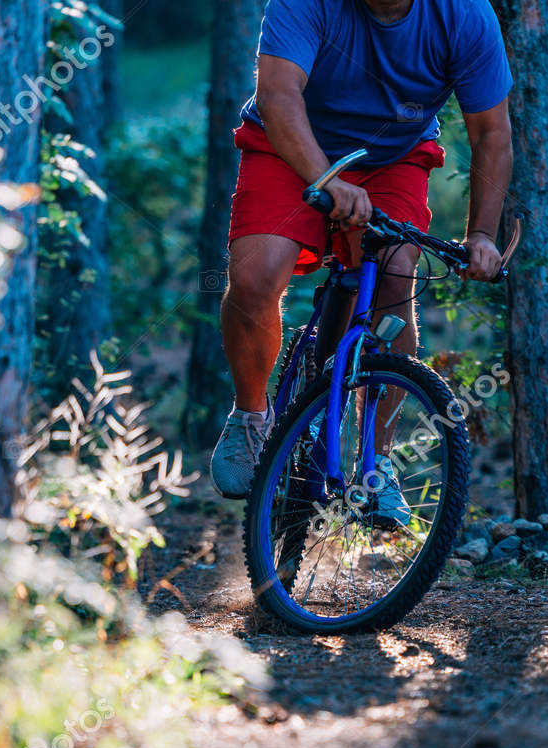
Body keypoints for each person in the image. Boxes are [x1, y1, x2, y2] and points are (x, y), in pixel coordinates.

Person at [208, 0, 514, 515]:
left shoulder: (465, 14)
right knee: (255, 277)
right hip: (288, 145)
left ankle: (378, 465)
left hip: (393, 157)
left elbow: (492, 133)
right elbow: (279, 97)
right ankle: (251, 417)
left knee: (396, 273)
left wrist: (482, 234)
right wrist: (327, 178)